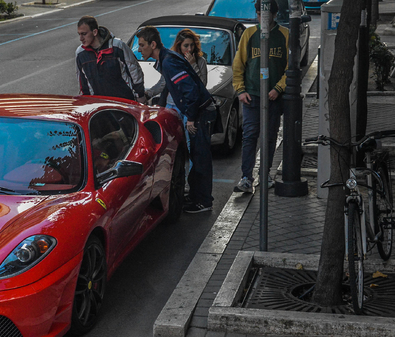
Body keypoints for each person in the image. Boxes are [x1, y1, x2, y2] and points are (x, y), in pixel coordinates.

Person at [136, 26, 216, 213]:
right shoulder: (166, 59)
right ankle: (196, 196)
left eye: (141, 45)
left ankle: (204, 202)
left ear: (153, 44)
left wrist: (191, 118)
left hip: (201, 114)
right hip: (199, 112)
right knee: (196, 155)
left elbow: (191, 92)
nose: (139, 49)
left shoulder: (169, 62)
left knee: (200, 157)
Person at [232, 0, 289, 193]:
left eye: (264, 14)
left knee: (270, 137)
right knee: (249, 137)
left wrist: (279, 88)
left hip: (273, 97)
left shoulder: (284, 35)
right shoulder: (249, 34)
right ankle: (246, 177)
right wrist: (240, 90)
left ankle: (265, 174)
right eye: (258, 14)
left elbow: (291, 68)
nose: (261, 18)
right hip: (252, 96)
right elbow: (239, 64)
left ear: (274, 15)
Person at [75, 16, 146, 103]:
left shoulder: (117, 46)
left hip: (125, 102)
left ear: (94, 32)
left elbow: (134, 71)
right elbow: (82, 82)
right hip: (99, 105)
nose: (81, 38)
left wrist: (140, 95)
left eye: (84, 34)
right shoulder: (80, 53)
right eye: (79, 34)